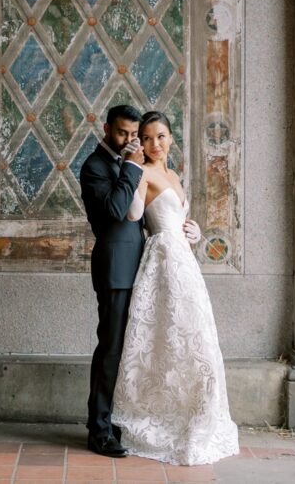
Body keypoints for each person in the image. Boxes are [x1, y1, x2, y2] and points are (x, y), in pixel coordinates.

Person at [112, 110, 239, 465]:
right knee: (167, 339)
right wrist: (133, 168)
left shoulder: (173, 175)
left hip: (184, 261)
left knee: (194, 337)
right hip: (163, 261)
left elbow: (179, 219)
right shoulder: (146, 171)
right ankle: (157, 416)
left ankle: (194, 414)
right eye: (148, 138)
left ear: (171, 138)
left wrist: (194, 233)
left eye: (161, 137)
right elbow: (136, 215)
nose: (155, 144)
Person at [78, 104, 146, 458]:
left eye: (135, 135)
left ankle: (122, 421)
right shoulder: (94, 167)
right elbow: (117, 210)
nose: (130, 141)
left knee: (133, 349)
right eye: (123, 133)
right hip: (115, 268)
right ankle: (99, 429)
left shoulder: (132, 162)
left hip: (143, 266)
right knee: (111, 349)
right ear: (106, 128)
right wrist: (133, 166)